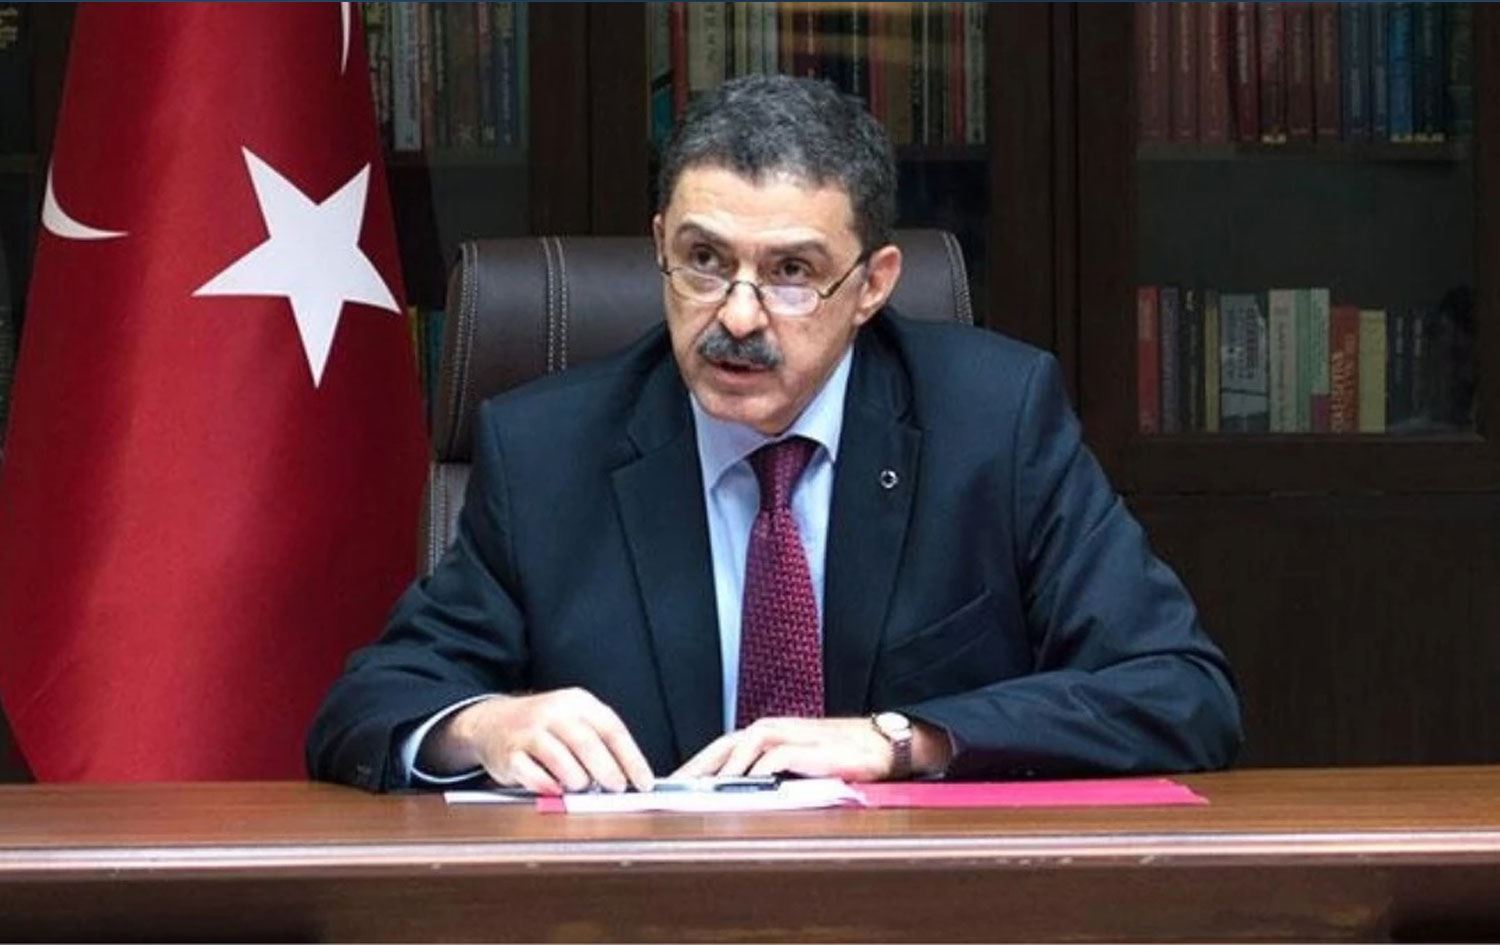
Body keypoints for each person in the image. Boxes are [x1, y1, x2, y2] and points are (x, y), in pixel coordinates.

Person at [307, 75, 1241, 794]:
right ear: (660, 243)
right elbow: (368, 704)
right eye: (704, 260)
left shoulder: (992, 423)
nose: (739, 315)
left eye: (792, 271)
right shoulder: (548, 451)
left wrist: (902, 737)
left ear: (872, 284)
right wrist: (482, 725)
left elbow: (1179, 690)